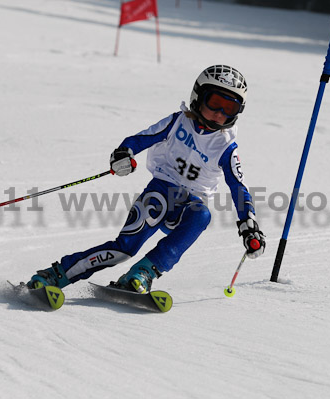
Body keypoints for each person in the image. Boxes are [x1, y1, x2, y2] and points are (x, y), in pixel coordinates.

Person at [27, 65, 265, 294]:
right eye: (215, 102)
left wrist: (249, 226)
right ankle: (54, 275)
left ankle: (143, 273)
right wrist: (124, 153)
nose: (219, 113)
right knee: (124, 249)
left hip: (189, 205)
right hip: (161, 191)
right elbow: (140, 139)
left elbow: (238, 188)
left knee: (201, 215)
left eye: (229, 108)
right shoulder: (176, 122)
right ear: (198, 96)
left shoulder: (225, 146)